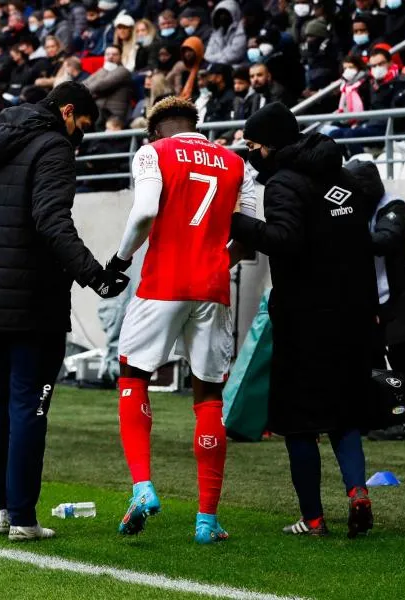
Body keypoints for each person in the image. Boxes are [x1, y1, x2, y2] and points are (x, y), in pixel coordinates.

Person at [0, 82, 129, 543]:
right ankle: (23, 516)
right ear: (67, 111)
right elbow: (51, 221)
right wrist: (97, 277)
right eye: (82, 127)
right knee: (30, 406)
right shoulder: (53, 148)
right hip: (33, 302)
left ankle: (6, 508)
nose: (80, 140)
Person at [111, 96, 257, 545]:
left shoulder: (153, 153)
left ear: (154, 130)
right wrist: (217, 260)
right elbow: (250, 233)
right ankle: (206, 521)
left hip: (162, 283)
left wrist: (120, 258)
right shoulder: (236, 163)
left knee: (133, 374)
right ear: (195, 124)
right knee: (209, 394)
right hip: (212, 287)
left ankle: (142, 487)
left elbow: (145, 211)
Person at [230, 102, 378, 538]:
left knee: (299, 422)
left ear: (272, 146)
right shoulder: (346, 181)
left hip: (305, 320)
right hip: (351, 317)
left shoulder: (284, 185)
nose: (251, 153)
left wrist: (237, 222)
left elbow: (284, 240)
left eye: (254, 146)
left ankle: (312, 518)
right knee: (344, 416)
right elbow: (362, 250)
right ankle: (357, 492)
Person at [352, 161, 405, 441]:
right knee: (371, 358)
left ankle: (403, 421)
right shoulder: (358, 208)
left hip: (399, 294)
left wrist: (348, 236)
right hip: (370, 295)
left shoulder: (394, 206)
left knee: (399, 357)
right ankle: (378, 417)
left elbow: (387, 238)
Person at [84, 45, 134, 123]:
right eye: (107, 54)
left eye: (114, 54)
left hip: (114, 114)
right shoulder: (102, 70)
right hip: (100, 111)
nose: (110, 57)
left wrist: (84, 92)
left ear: (120, 56)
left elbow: (100, 85)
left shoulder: (123, 71)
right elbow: (84, 83)